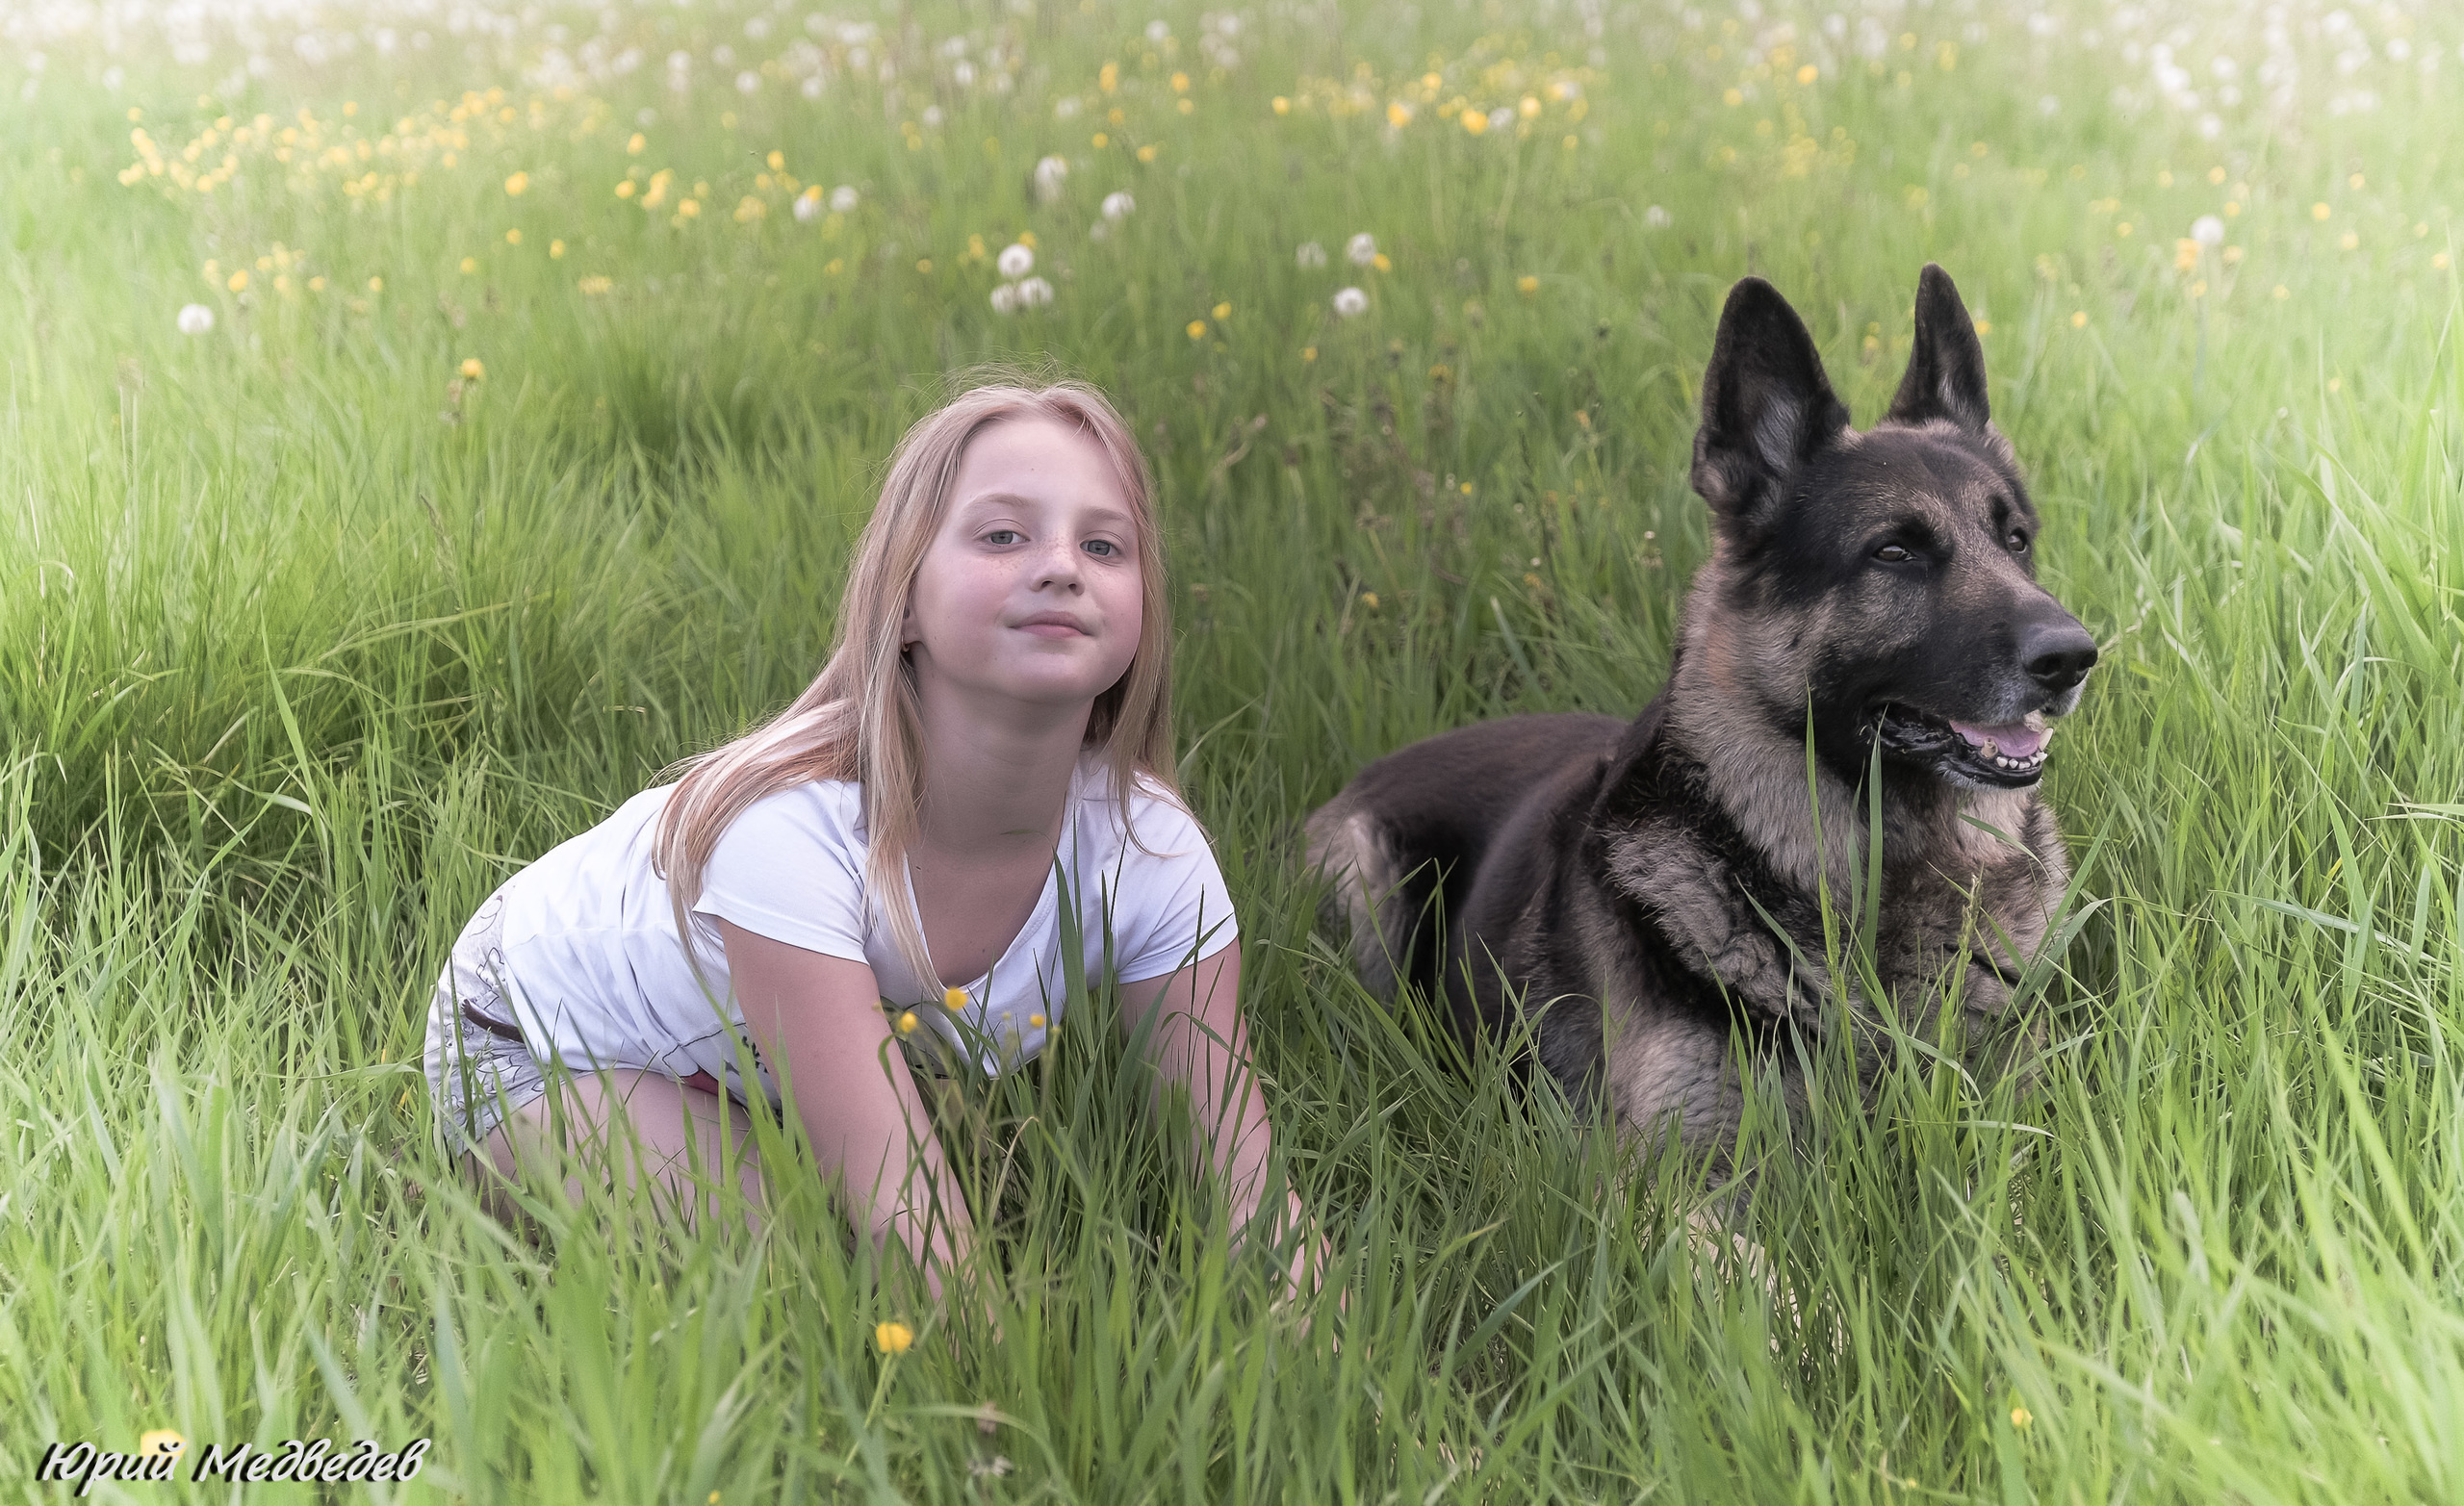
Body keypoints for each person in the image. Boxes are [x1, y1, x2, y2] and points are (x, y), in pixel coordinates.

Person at [422, 378, 1325, 1307]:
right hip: (532, 1040)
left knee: (882, 1231)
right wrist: (1027, 1427)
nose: (1061, 566)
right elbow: (914, 1227)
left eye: (1104, 545)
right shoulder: (791, 834)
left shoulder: (1152, 853)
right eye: (1003, 535)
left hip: (749, 1069)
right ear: (905, 596)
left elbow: (1244, 1181)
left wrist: (1361, 1390)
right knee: (822, 1284)